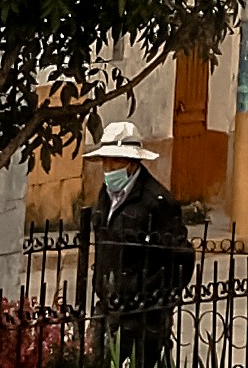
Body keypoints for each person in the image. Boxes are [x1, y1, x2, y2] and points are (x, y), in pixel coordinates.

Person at [82, 118, 194, 368]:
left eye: (116, 161)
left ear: (132, 163)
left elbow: (180, 258)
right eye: (105, 161)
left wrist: (153, 295)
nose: (109, 168)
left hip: (144, 313)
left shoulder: (157, 201)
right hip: (108, 304)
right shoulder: (105, 196)